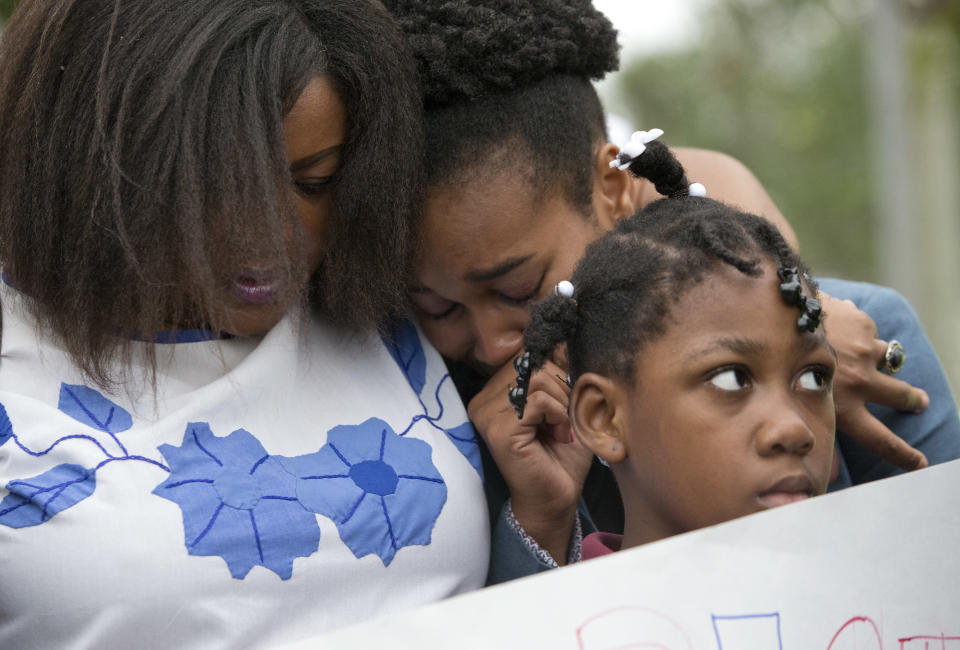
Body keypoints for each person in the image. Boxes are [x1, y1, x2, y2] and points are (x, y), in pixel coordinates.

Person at [384, 0, 960, 578]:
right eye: (438, 308)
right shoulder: (463, 434)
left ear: (611, 188)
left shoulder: (855, 342)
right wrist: (542, 521)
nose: (490, 345)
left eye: (517, 288)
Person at [0, 0, 498, 646]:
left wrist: (536, 528)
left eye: (313, 182)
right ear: (95, 168)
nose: (268, 234)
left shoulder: (391, 309)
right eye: (214, 187)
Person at [518, 141, 836, 558]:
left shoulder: (888, 606)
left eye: (814, 377)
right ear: (604, 418)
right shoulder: (574, 621)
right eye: (731, 378)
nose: (794, 430)